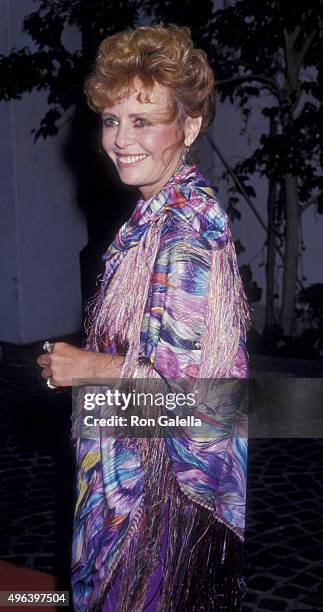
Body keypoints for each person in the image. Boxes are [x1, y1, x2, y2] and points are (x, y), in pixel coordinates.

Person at [37, 24, 250, 611]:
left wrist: (87, 368)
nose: (121, 139)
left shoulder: (185, 233)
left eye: (143, 120)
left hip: (160, 509)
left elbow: (194, 399)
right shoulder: (157, 213)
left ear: (189, 125)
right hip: (135, 489)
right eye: (112, 119)